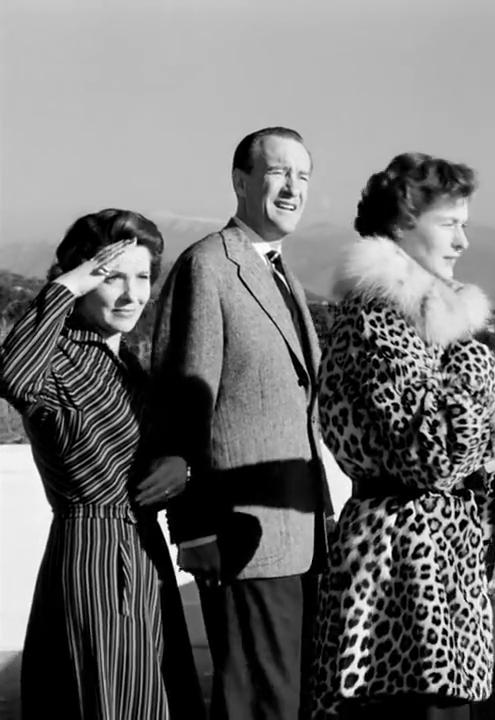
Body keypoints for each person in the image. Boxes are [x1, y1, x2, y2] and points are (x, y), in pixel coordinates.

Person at [309, 152, 495, 720]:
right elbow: (436, 456)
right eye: (449, 224)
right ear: (403, 225)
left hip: (437, 564)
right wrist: (476, 369)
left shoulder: (424, 322)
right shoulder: (376, 319)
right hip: (398, 572)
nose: (463, 242)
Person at [150, 127, 332, 720]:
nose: (293, 188)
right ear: (240, 181)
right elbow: (182, 400)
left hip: (301, 536)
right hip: (240, 539)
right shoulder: (208, 265)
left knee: (292, 702)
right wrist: (193, 529)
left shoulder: (282, 274)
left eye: (303, 176)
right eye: (278, 173)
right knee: (257, 704)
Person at [0, 209, 204, 719]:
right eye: (113, 278)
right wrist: (69, 283)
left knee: (153, 697)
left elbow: (164, 449)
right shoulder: (59, 359)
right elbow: (12, 374)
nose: (133, 295)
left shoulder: (127, 365)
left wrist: (182, 467)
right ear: (84, 279)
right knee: (107, 699)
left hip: (145, 552)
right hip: (93, 555)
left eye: (143, 277)